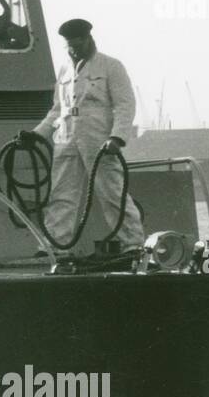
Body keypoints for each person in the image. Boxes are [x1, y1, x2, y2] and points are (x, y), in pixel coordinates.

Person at [25, 19, 144, 251]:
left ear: (88, 39)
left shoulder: (111, 66)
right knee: (61, 194)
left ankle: (133, 244)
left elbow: (125, 104)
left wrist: (117, 137)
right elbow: (58, 109)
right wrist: (37, 134)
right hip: (66, 138)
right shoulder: (64, 70)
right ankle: (55, 245)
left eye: (77, 44)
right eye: (69, 45)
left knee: (111, 193)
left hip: (98, 139)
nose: (74, 49)